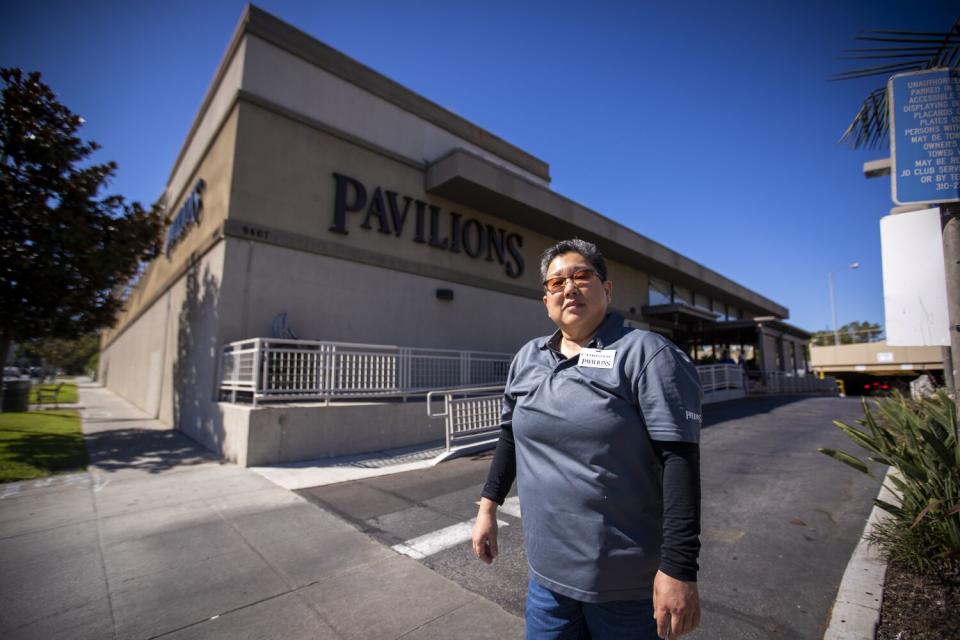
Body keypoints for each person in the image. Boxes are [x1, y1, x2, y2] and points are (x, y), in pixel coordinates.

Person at [471, 238, 703, 639]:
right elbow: (510, 437)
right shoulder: (528, 358)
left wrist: (679, 569)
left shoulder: (646, 355)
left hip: (626, 589)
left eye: (581, 276)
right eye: (556, 283)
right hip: (547, 582)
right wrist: (487, 508)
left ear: (607, 290)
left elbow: (680, 463)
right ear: (546, 300)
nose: (569, 288)